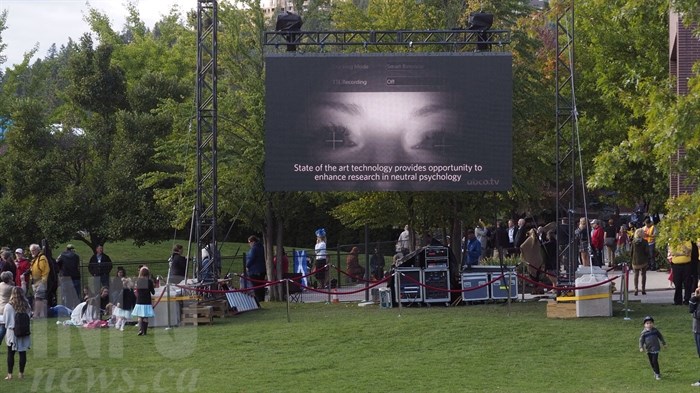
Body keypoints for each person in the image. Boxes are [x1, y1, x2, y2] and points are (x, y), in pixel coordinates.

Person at [4, 287, 31, 380]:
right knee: (22, 353)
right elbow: (29, 316)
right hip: (24, 332)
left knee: (10, 354)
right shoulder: (26, 304)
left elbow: (6, 321)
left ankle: (10, 374)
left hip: (12, 332)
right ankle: (21, 374)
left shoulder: (9, 306)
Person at [639, 315, 667, 381]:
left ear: (653, 323)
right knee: (651, 361)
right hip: (648, 349)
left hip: (656, 348)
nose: (649, 324)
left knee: (655, 361)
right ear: (644, 325)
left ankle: (657, 374)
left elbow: (660, 336)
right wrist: (641, 347)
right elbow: (641, 341)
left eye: (650, 323)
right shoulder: (644, 333)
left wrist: (664, 343)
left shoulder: (655, 331)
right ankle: (655, 371)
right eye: (647, 323)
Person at [56, 244, 81, 309]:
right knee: (76, 295)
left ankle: (68, 310)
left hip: (65, 278)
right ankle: (77, 309)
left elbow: (57, 263)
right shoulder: (76, 256)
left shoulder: (61, 256)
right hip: (76, 277)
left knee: (67, 295)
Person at [669, 240, 694, 305]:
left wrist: (682, 244)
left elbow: (688, 251)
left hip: (686, 265)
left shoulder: (687, 241)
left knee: (687, 283)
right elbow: (672, 252)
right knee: (677, 283)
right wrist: (683, 253)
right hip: (676, 265)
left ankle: (687, 300)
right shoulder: (673, 241)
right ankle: (677, 301)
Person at [132, 266, 155, 336]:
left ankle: (140, 329)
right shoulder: (149, 281)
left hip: (139, 300)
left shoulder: (138, 281)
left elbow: (137, 290)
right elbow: (153, 292)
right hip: (147, 301)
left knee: (140, 317)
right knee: (145, 317)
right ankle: (145, 331)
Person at [29, 243, 49, 318]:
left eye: (34, 250)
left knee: (38, 298)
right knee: (40, 298)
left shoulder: (42, 258)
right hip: (35, 282)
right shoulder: (35, 259)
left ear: (38, 250)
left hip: (41, 281)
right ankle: (42, 315)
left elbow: (45, 270)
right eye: (31, 251)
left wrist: (43, 281)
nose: (32, 252)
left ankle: (36, 314)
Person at [245, 236, 267, 302]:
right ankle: (262, 299)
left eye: (249, 242)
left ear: (253, 241)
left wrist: (247, 265)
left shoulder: (254, 249)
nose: (249, 244)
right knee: (261, 287)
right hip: (262, 270)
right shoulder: (262, 247)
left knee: (256, 288)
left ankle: (258, 300)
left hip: (255, 271)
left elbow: (251, 258)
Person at [630, 228, 649, 296]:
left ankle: (636, 289)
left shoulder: (633, 242)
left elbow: (631, 252)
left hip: (635, 260)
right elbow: (647, 251)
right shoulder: (645, 241)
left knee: (636, 275)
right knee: (643, 275)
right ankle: (643, 289)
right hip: (643, 260)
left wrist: (632, 257)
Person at [0, 272, 14, 347]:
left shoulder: (1, 284)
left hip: (1, 307)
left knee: (2, 327)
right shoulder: (10, 288)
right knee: (3, 329)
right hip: (6, 310)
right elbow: (21, 291)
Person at [690, 287, 700, 387]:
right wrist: (695, 298)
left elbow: (697, 314)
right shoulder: (696, 299)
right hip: (697, 330)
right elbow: (690, 309)